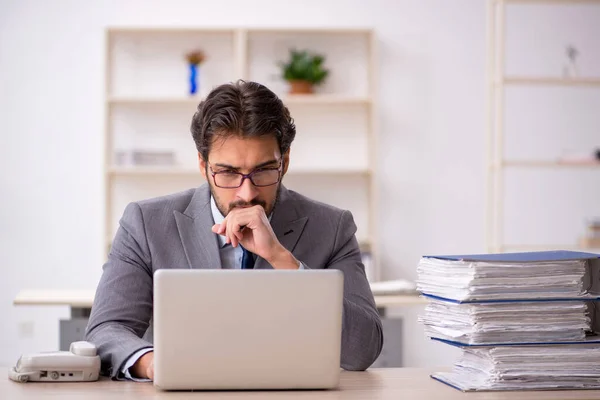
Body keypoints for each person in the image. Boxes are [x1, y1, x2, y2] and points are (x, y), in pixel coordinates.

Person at [85, 80, 383, 381]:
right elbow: (106, 329)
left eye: (264, 170)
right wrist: (153, 364)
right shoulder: (146, 223)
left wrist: (283, 261)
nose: (247, 192)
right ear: (203, 165)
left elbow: (363, 350)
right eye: (228, 172)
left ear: (285, 162)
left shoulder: (332, 227)